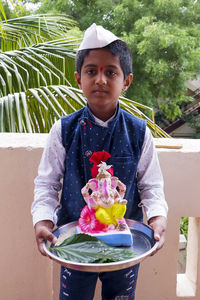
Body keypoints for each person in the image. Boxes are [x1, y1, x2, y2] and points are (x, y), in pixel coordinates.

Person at [31, 23, 168, 300]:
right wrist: (42, 221)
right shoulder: (64, 130)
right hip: (74, 242)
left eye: (111, 72)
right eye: (91, 71)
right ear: (78, 79)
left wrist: (157, 217)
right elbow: (46, 184)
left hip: (123, 244)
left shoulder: (139, 132)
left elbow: (151, 186)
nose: (101, 80)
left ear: (126, 81)